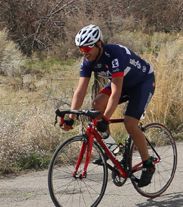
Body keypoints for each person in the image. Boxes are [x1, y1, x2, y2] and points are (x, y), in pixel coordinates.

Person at [60, 24, 159, 187]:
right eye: (80, 49)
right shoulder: (88, 61)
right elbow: (80, 90)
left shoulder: (114, 56)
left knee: (130, 123)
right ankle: (112, 150)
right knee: (96, 104)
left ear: (98, 44)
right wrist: (72, 117)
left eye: (86, 48)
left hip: (142, 83)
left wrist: (105, 118)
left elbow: (116, 92)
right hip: (122, 84)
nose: (84, 53)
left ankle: (148, 165)